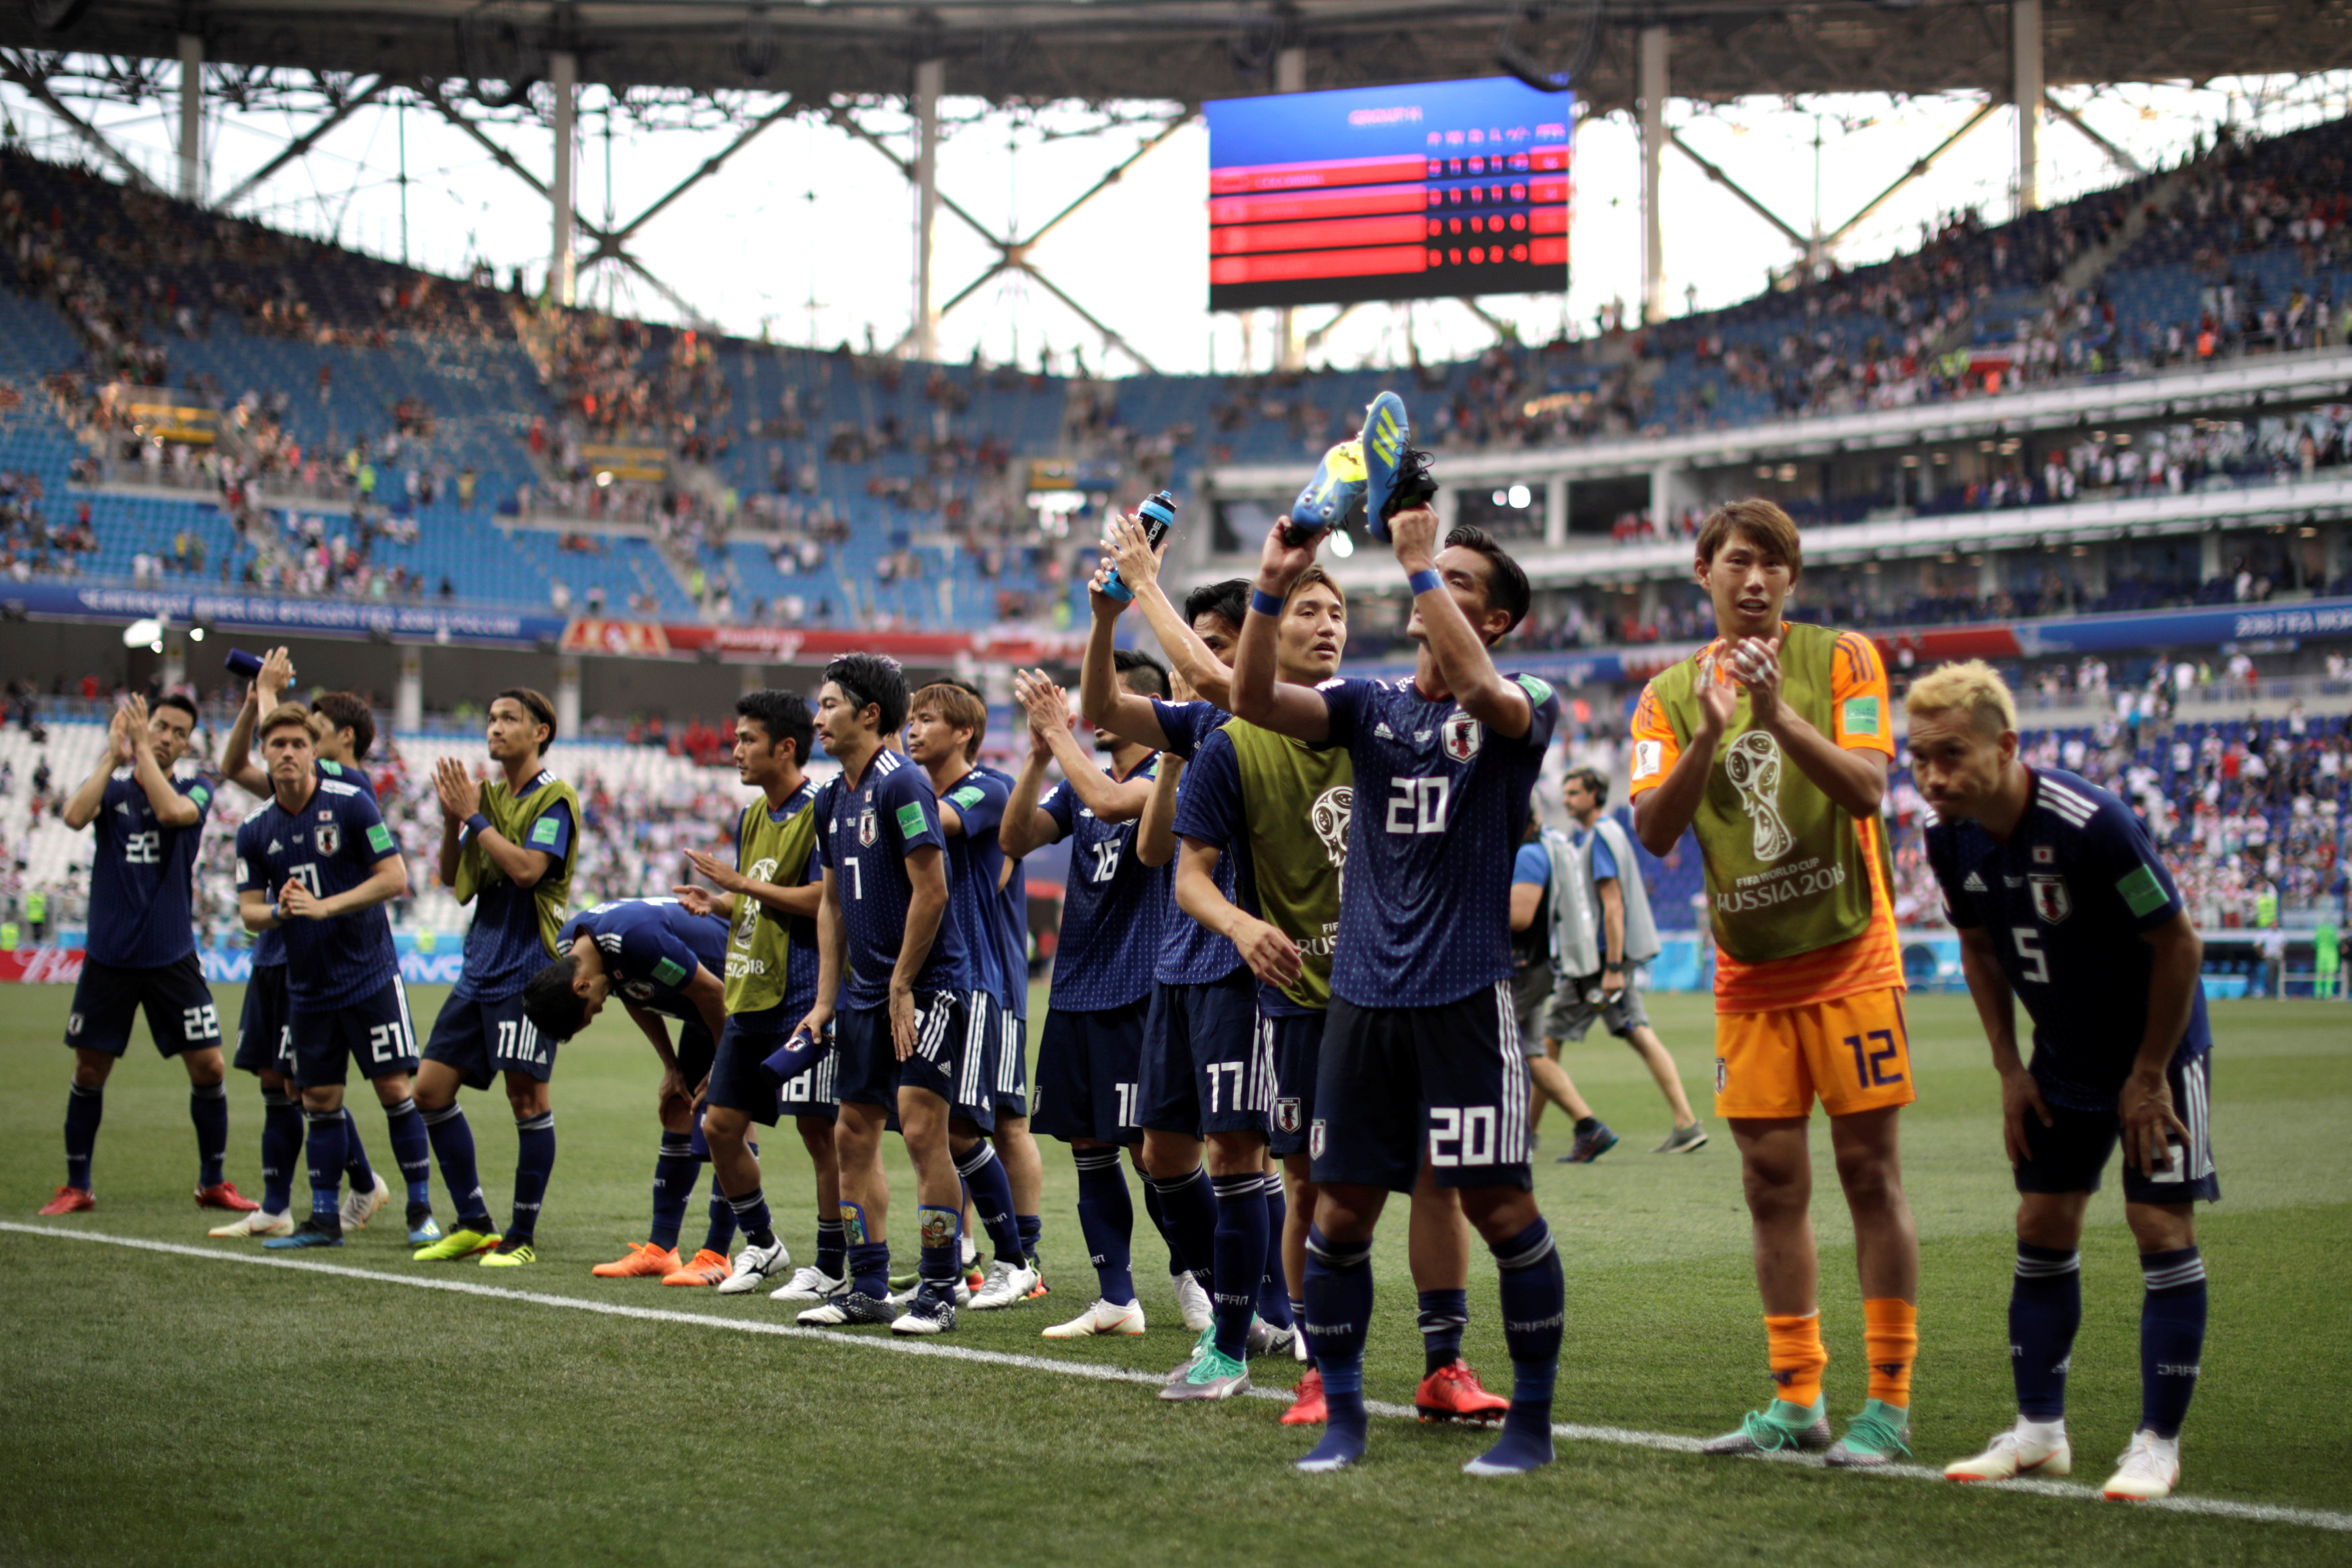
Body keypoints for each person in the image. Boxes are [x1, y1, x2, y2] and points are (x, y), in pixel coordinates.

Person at [1105, 520, 1509, 1428]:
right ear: (1269, 628)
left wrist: (1143, 584)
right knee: (1304, 1186)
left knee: (1436, 1178)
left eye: (1338, 610)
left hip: (1406, 991)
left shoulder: (1373, 710)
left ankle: (1444, 1362)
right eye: (1305, 608)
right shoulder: (1239, 739)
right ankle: (1323, 1365)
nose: (1329, 623)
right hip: (1299, 1001)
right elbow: (1197, 730)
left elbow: (1217, 683)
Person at [1232, 508, 1566, 1477]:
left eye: (1461, 582)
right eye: (1434, 574)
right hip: (1363, 1007)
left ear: (1495, 621)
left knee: (1499, 1208)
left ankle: (1531, 1426)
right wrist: (1267, 581)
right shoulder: (1369, 706)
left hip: (1463, 998)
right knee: (1337, 1216)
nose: (1433, 587)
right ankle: (1342, 1416)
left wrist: (1418, 560)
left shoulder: (1524, 699)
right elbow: (1251, 696)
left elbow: (1494, 705)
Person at [1628, 498, 1919, 1468]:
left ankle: (1888, 1402)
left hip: (1851, 956)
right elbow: (1655, 832)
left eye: (1774, 565)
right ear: (1703, 571)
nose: (1755, 580)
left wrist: (1773, 715)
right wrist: (1712, 733)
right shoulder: (1666, 695)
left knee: (1871, 1173)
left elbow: (1869, 788)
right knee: (1769, 1184)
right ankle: (1798, 1399)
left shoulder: (1842, 660)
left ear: (1792, 581)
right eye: (1738, 561)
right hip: (1749, 976)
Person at [1909, 661, 2216, 1504]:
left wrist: (2149, 1075)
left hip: (2158, 1053)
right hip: (2060, 1056)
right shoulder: (1948, 837)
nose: (1932, 776)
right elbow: (1977, 950)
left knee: (2157, 1225)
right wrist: (2009, 1069)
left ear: (2004, 746)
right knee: (2041, 1222)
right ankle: (2039, 1434)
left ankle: (2156, 1443)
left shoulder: (2092, 824)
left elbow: (2179, 946)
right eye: (1917, 758)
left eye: (1950, 754)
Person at [211, 649, 433, 1244]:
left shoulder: (350, 788)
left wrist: (265, 693)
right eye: (278, 742)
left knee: (374, 1087)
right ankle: (309, 1207)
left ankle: (408, 1205)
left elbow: (393, 875)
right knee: (298, 1089)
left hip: (357, 965)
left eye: (304, 735)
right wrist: (262, 697)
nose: (290, 748)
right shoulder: (260, 824)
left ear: (330, 742)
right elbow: (240, 762)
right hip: (292, 964)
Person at [792, 654, 980, 1336]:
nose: (818, 716)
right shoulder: (830, 798)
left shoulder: (902, 786)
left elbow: (932, 890)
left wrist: (903, 982)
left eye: (830, 704)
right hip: (864, 996)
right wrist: (823, 1001)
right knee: (852, 1132)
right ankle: (867, 1285)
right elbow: (832, 904)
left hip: (926, 987)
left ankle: (936, 1291)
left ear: (869, 715)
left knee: (924, 1129)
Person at [1001, 658, 1183, 1339]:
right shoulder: (1080, 784)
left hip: (1141, 985)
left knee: (1153, 1151)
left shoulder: (1169, 771)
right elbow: (1014, 840)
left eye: (1117, 695)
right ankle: (1116, 1297)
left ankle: (1194, 1277)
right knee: (1089, 1145)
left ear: (1152, 706)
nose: (1099, 706)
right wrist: (1037, 755)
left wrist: (1063, 739)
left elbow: (1111, 808)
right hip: (1078, 986)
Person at [40, 693, 253, 1217]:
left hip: (171, 955)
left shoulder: (196, 788)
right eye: (159, 726)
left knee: (209, 1067)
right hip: (110, 956)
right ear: (147, 727)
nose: (167, 738)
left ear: (186, 743)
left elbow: (169, 811)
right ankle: (77, 1186)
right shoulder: (110, 792)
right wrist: (114, 757)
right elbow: (71, 816)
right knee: (90, 1071)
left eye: (179, 732)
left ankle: (212, 1182)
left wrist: (137, 750)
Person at [671, 689, 837, 1297]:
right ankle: (764, 1245)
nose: (735, 749)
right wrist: (721, 902)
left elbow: (826, 900)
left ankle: (831, 1266)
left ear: (785, 747)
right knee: (721, 1125)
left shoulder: (821, 808)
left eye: (747, 739)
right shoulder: (752, 816)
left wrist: (739, 884)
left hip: (803, 991)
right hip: (750, 989)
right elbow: (759, 897)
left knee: (821, 1133)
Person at [412, 689, 581, 1266]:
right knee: (428, 1091)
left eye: (509, 719)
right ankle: (476, 1222)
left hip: (528, 973)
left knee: (526, 1099)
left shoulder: (554, 799)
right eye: (490, 718)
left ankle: (522, 1236)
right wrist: (450, 821)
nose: (495, 728)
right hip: (479, 967)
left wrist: (475, 817)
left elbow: (530, 872)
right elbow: (448, 876)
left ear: (541, 732)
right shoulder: (484, 798)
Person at [520, 896, 738, 1282]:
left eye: (589, 1011)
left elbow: (715, 993)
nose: (597, 1012)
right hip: (703, 1003)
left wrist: (724, 1067)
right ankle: (661, 1249)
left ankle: (718, 1253)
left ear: (581, 985)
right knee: (680, 1109)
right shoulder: (577, 947)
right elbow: (631, 991)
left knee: (728, 1112)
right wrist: (671, 1066)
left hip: (738, 993)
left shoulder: (636, 937)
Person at [906, 679, 1038, 1306]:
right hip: (944, 982)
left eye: (927, 719)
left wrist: (870, 796)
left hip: (985, 979)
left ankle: (1023, 1259)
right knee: (938, 1124)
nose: (913, 729)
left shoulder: (986, 788)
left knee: (992, 1122)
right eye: (910, 719)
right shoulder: (918, 793)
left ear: (964, 733)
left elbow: (937, 825)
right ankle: (958, 1259)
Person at [1529, 767, 1706, 1158]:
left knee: (1545, 1041)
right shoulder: (1603, 835)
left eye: (1574, 792)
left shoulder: (1600, 839)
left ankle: (1530, 1133)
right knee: (1630, 1035)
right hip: (1603, 963)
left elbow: (1612, 907)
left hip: (1596, 966)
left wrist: (1611, 968)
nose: (1567, 800)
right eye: (1566, 792)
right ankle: (1685, 1122)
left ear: (1595, 795)